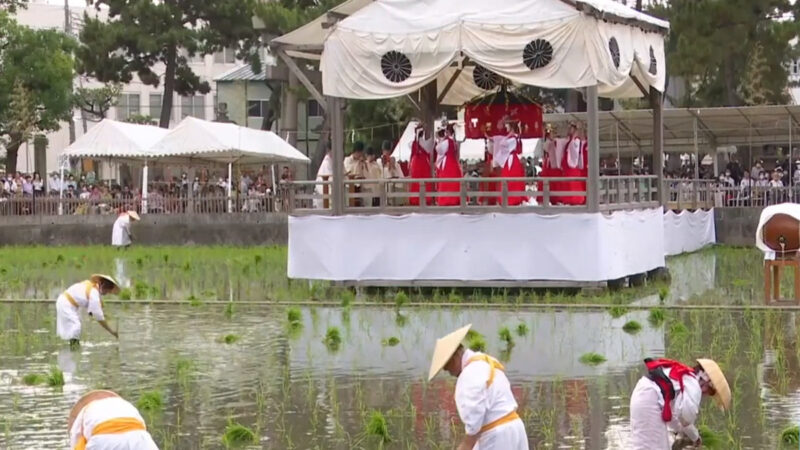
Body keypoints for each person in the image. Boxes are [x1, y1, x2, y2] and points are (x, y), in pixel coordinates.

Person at [428, 325, 528, 450]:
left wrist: (466, 445)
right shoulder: (484, 363)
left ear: (454, 358)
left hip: (498, 436)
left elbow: (474, 417)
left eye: (448, 369)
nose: (452, 374)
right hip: (516, 429)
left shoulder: (469, 374)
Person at [629, 358, 730, 450]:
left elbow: (674, 416)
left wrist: (684, 432)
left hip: (642, 395)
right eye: (710, 391)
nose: (707, 394)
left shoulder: (686, 379)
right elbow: (685, 418)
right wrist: (695, 437)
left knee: (644, 444)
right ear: (706, 382)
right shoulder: (694, 385)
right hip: (649, 399)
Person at [68, 390, 158, 450]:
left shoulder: (84, 411)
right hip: (140, 438)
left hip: (104, 440)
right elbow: (142, 427)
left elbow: (76, 441)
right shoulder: (125, 405)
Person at [56, 274, 120, 347]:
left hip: (69, 304)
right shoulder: (94, 294)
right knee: (76, 325)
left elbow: (91, 312)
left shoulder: (93, 288)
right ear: (102, 285)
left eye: (109, 290)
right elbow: (99, 317)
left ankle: (74, 346)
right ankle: (74, 348)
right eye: (107, 289)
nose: (107, 292)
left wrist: (104, 316)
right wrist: (112, 331)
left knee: (75, 326)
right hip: (65, 304)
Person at [487, 117, 527, 206]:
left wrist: (508, 135)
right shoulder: (515, 137)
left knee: (510, 179)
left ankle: (511, 199)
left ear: (511, 127)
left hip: (511, 159)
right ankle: (513, 198)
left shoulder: (512, 138)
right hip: (513, 159)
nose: (506, 127)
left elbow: (502, 143)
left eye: (507, 126)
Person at [435, 122, 463, 206]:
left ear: (447, 131)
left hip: (448, 163)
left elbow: (438, 149)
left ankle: (447, 200)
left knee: (446, 182)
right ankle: (455, 200)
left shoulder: (446, 141)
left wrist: (439, 140)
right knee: (454, 183)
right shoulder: (455, 142)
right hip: (454, 162)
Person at [409, 126, 434, 206]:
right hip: (423, 163)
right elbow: (429, 149)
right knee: (424, 180)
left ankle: (415, 199)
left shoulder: (413, 143)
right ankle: (426, 198)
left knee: (416, 181)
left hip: (416, 163)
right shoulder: (423, 142)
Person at [314, 143, 333, 209]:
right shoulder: (326, 163)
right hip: (324, 194)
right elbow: (328, 178)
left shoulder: (335, 161)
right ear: (329, 150)